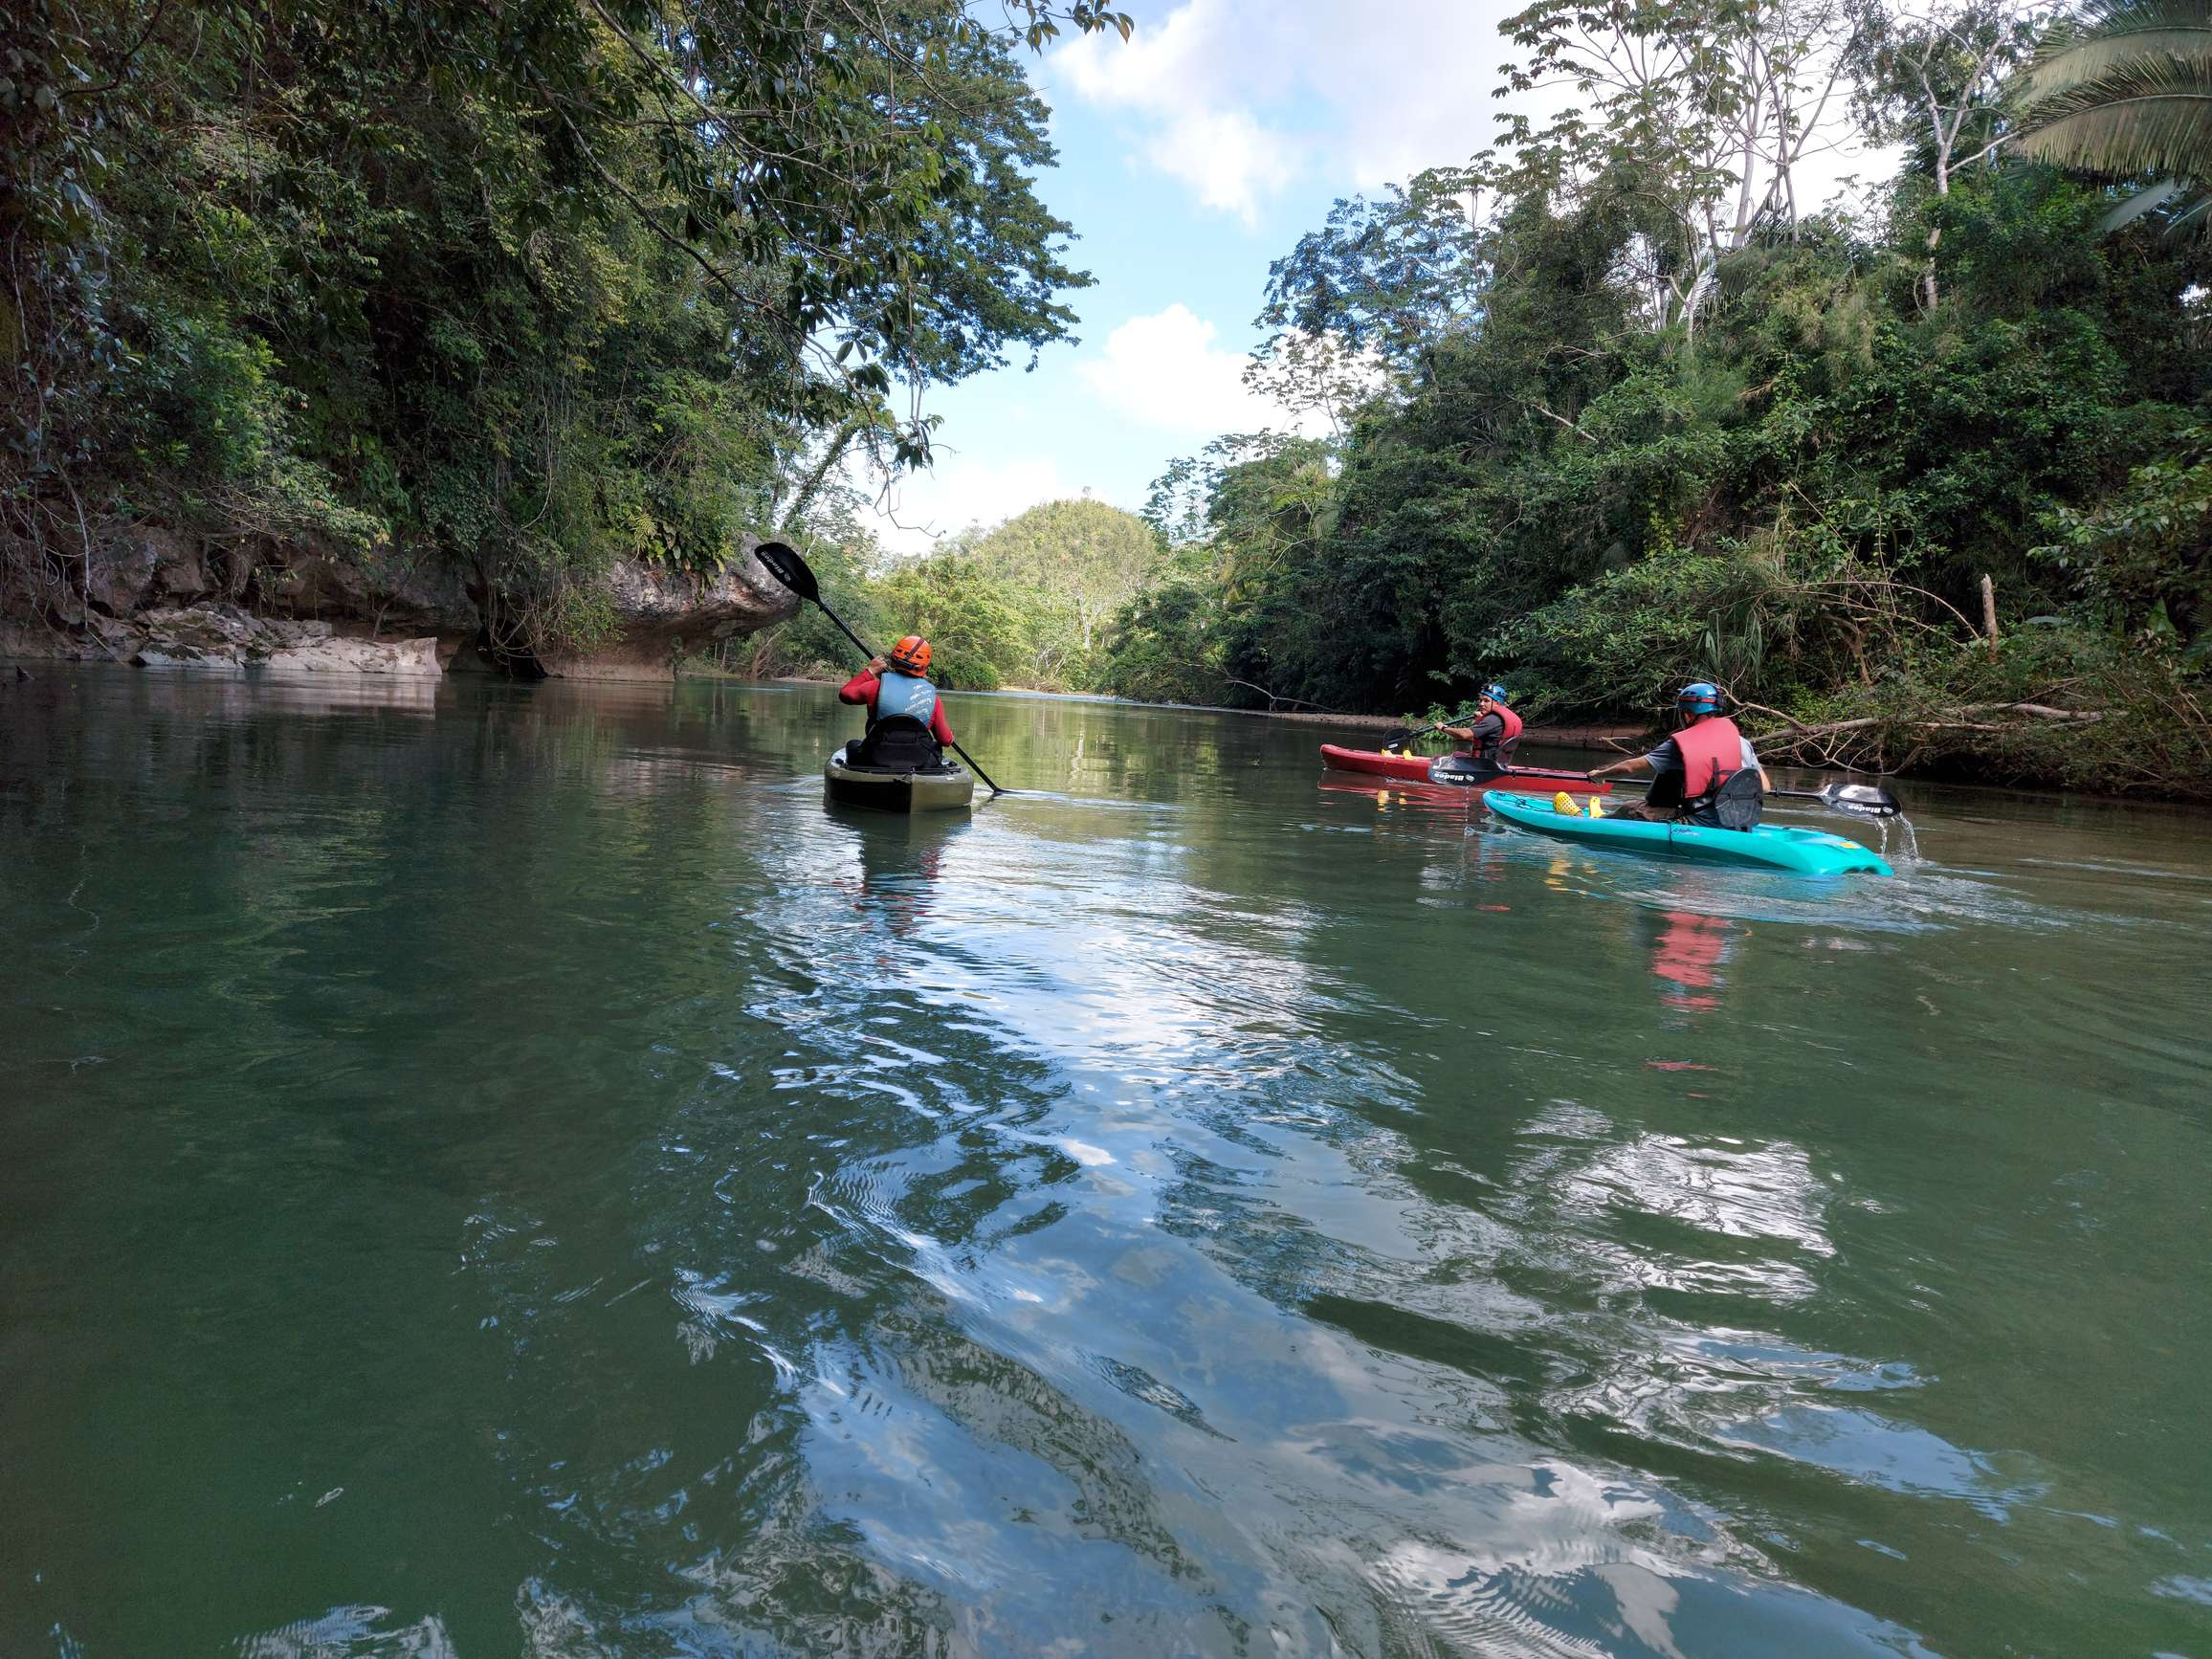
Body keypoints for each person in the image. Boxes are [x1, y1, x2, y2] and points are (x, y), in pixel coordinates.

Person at [1588, 682, 1772, 827]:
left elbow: (1631, 767)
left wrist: (1600, 775)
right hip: (1736, 821)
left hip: (1697, 820)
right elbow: (1764, 786)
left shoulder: (1682, 744)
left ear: (1688, 715)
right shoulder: (1742, 742)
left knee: (1629, 808)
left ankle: (1596, 822)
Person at [838, 635, 957, 762]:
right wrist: (950, 737)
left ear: (893, 660)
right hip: (917, 760)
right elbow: (945, 740)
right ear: (924, 668)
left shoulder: (875, 687)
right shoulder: (933, 699)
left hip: (876, 756)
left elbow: (845, 694)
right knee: (936, 747)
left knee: (852, 744)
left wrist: (870, 671)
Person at [1438, 684, 1522, 777]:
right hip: (1498, 765)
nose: (1481, 704)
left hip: (1483, 766)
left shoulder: (1492, 720)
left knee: (1444, 758)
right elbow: (1477, 738)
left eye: (1486, 701)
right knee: (1458, 754)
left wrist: (1443, 728)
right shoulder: (1497, 719)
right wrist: (1480, 720)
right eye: (1481, 700)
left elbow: (1464, 735)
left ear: (1497, 703)